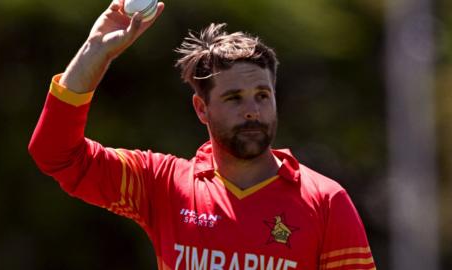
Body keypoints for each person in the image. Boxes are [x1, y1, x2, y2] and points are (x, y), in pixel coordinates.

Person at [28, 0, 376, 269]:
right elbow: (55, 152)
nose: (252, 110)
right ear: (201, 109)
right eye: (233, 98)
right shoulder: (164, 185)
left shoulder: (326, 202)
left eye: (262, 95)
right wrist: (94, 52)